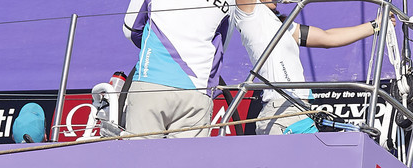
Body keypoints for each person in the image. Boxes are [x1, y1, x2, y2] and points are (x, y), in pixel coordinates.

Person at [233, 0, 380, 135]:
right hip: (281, 113)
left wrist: (376, 25)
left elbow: (328, 37)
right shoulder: (251, 15)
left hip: (300, 111)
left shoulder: (282, 24)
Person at [121, 0, 232, 138]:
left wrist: (156, 52)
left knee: (141, 151)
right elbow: (221, 46)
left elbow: (131, 30)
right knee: (187, 153)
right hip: (197, 91)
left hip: (151, 80)